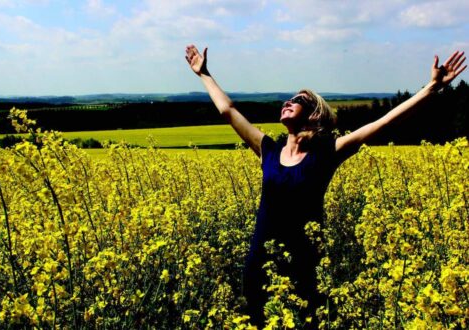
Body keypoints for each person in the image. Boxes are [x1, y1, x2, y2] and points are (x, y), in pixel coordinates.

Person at [185, 45, 466, 326]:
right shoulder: (267, 149)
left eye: (298, 100)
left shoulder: (327, 152)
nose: (288, 101)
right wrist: (204, 73)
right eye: (288, 98)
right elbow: (228, 110)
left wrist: (430, 89)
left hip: (304, 265)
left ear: (315, 114)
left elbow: (383, 123)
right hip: (260, 263)